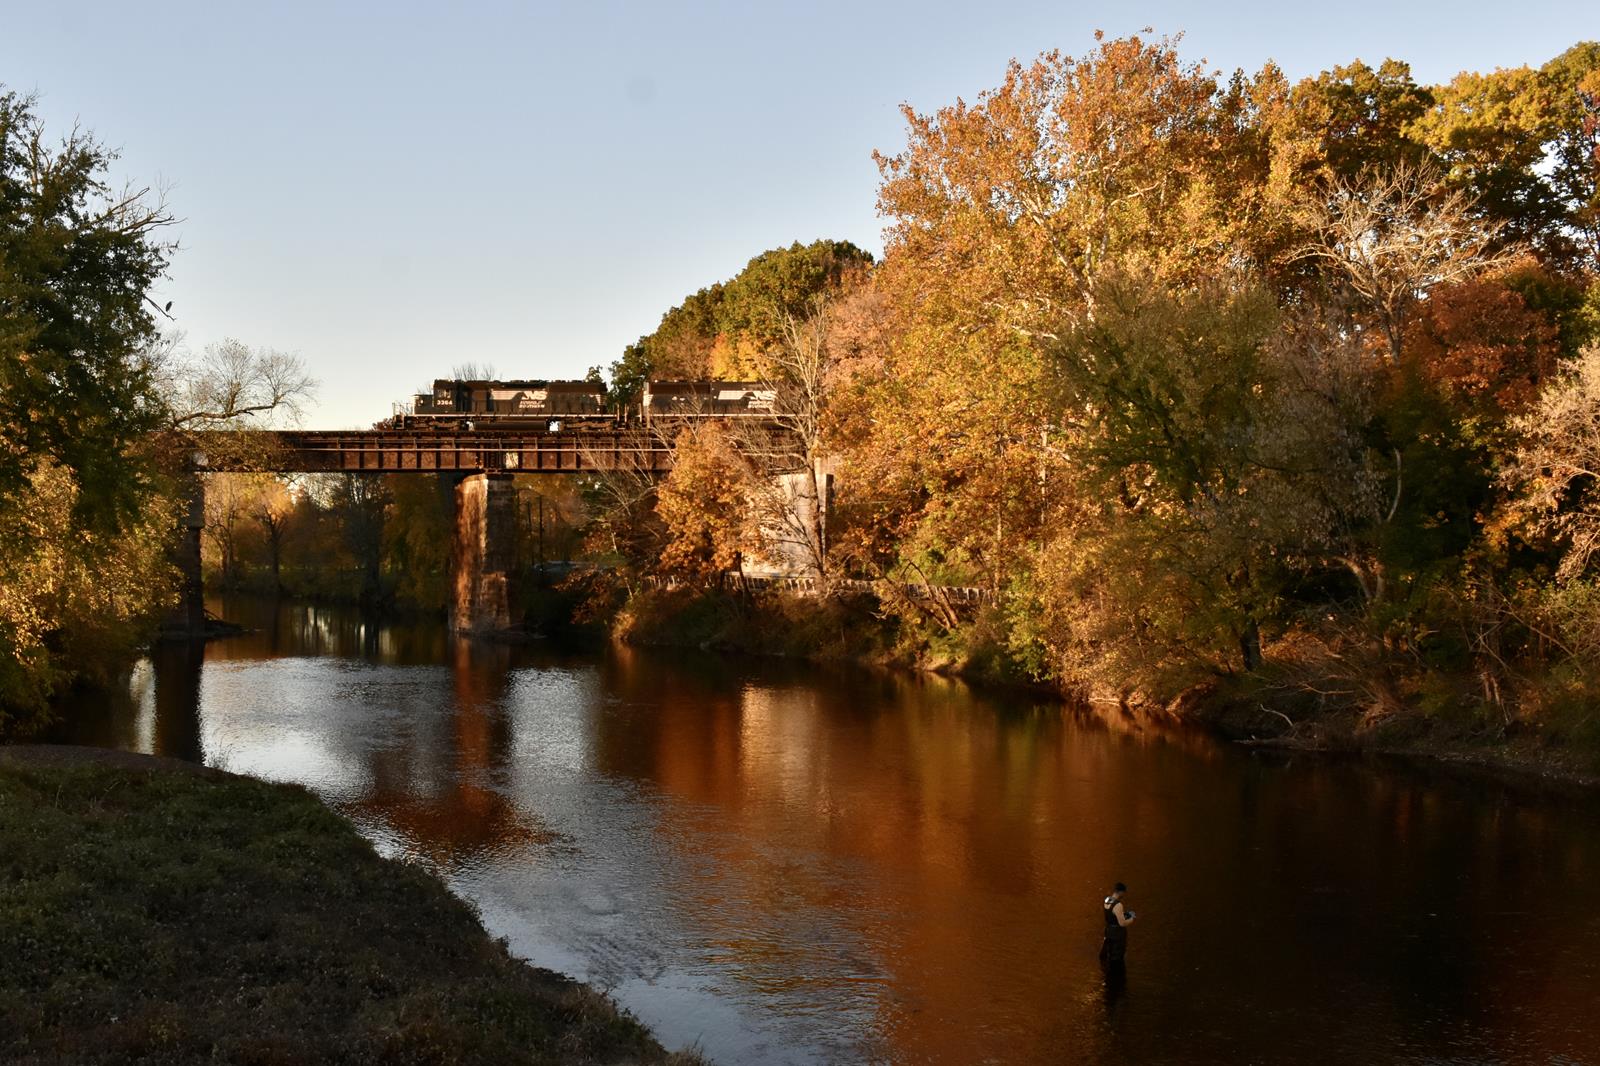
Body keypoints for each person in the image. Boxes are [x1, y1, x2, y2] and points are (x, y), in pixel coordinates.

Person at [1100, 881, 1136, 966]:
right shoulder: (1118, 905)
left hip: (1108, 932)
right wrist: (1132, 919)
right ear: (1120, 892)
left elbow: (1112, 914)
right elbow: (1122, 923)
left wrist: (1124, 914)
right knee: (1117, 958)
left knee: (1110, 954)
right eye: (1123, 893)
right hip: (1117, 936)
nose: (1123, 895)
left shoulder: (1107, 900)